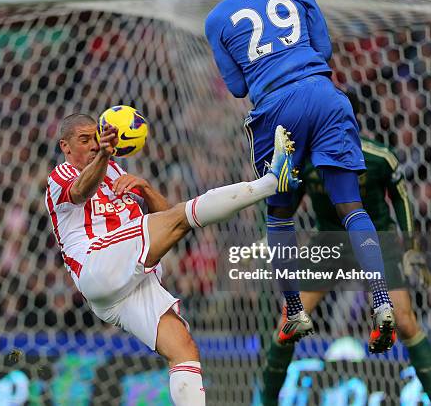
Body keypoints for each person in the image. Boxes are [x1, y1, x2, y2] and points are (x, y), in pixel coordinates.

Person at [46, 113, 298, 406]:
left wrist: (146, 189)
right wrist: (103, 153)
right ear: (65, 146)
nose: (93, 145)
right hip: (97, 263)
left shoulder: (115, 171)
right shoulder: (61, 175)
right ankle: (270, 182)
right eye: (84, 140)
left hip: (128, 283)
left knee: (183, 348)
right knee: (180, 219)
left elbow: (170, 217)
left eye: (95, 138)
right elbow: (79, 192)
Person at [205, 0, 396, 351]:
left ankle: (294, 312)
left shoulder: (218, 18)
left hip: (275, 109)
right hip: (323, 94)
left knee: (279, 216)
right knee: (352, 207)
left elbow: (239, 87)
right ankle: (381, 300)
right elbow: (323, 50)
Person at [261, 110, 431, 404]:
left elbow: (401, 197)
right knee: (288, 321)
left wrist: (410, 246)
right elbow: (287, 206)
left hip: (377, 240)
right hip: (330, 241)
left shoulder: (378, 157)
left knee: (404, 320)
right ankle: (267, 401)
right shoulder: (305, 160)